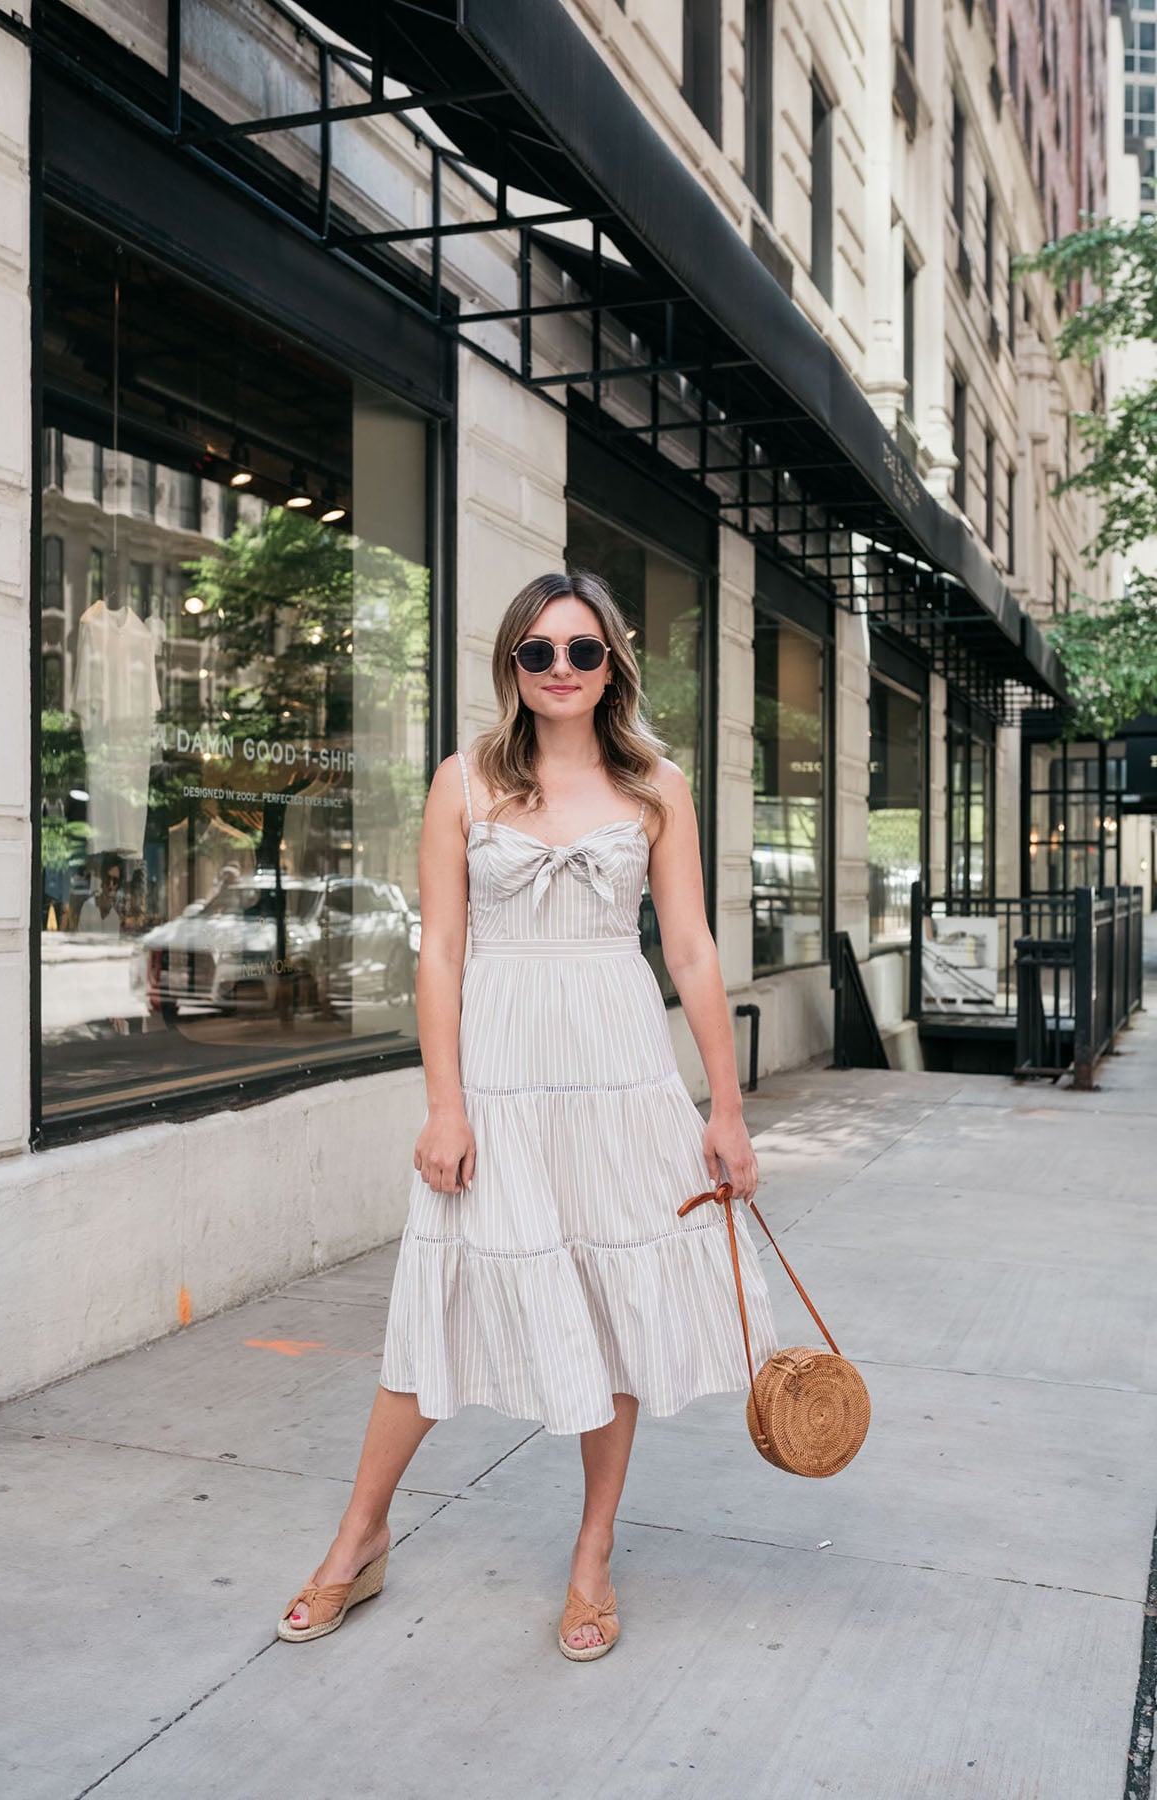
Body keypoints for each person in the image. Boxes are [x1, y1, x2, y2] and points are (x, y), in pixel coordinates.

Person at [276, 571, 779, 1659]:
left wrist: (726, 1109)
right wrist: (443, 1105)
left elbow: (689, 950)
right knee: (441, 1298)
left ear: (614, 666)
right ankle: (358, 1540)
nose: (560, 670)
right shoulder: (464, 782)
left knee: (611, 1305)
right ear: (511, 665)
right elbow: (442, 953)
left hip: (617, 1068)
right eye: (537, 652)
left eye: (582, 651)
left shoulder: (657, 785)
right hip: (498, 1074)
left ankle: (593, 1555)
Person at [77, 853, 123, 936]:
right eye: (108, 878)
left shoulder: (115, 919)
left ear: (118, 885)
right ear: (102, 878)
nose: (111, 885)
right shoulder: (87, 907)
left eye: (115, 881)